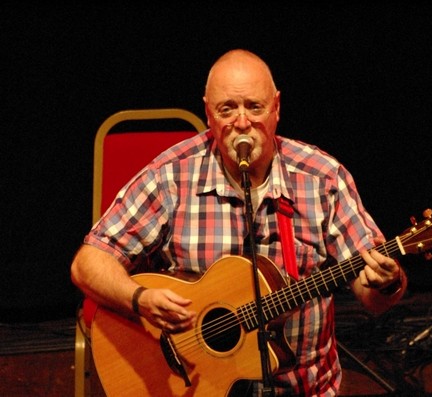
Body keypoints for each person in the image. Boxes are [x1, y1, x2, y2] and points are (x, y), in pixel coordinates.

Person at [71, 49, 407, 396]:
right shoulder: (171, 176)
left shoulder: (323, 178)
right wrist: (138, 298)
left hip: (304, 387)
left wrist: (386, 282)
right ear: (208, 113)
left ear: (276, 107)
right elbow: (88, 263)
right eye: (227, 109)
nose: (242, 122)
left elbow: (374, 298)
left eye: (255, 107)